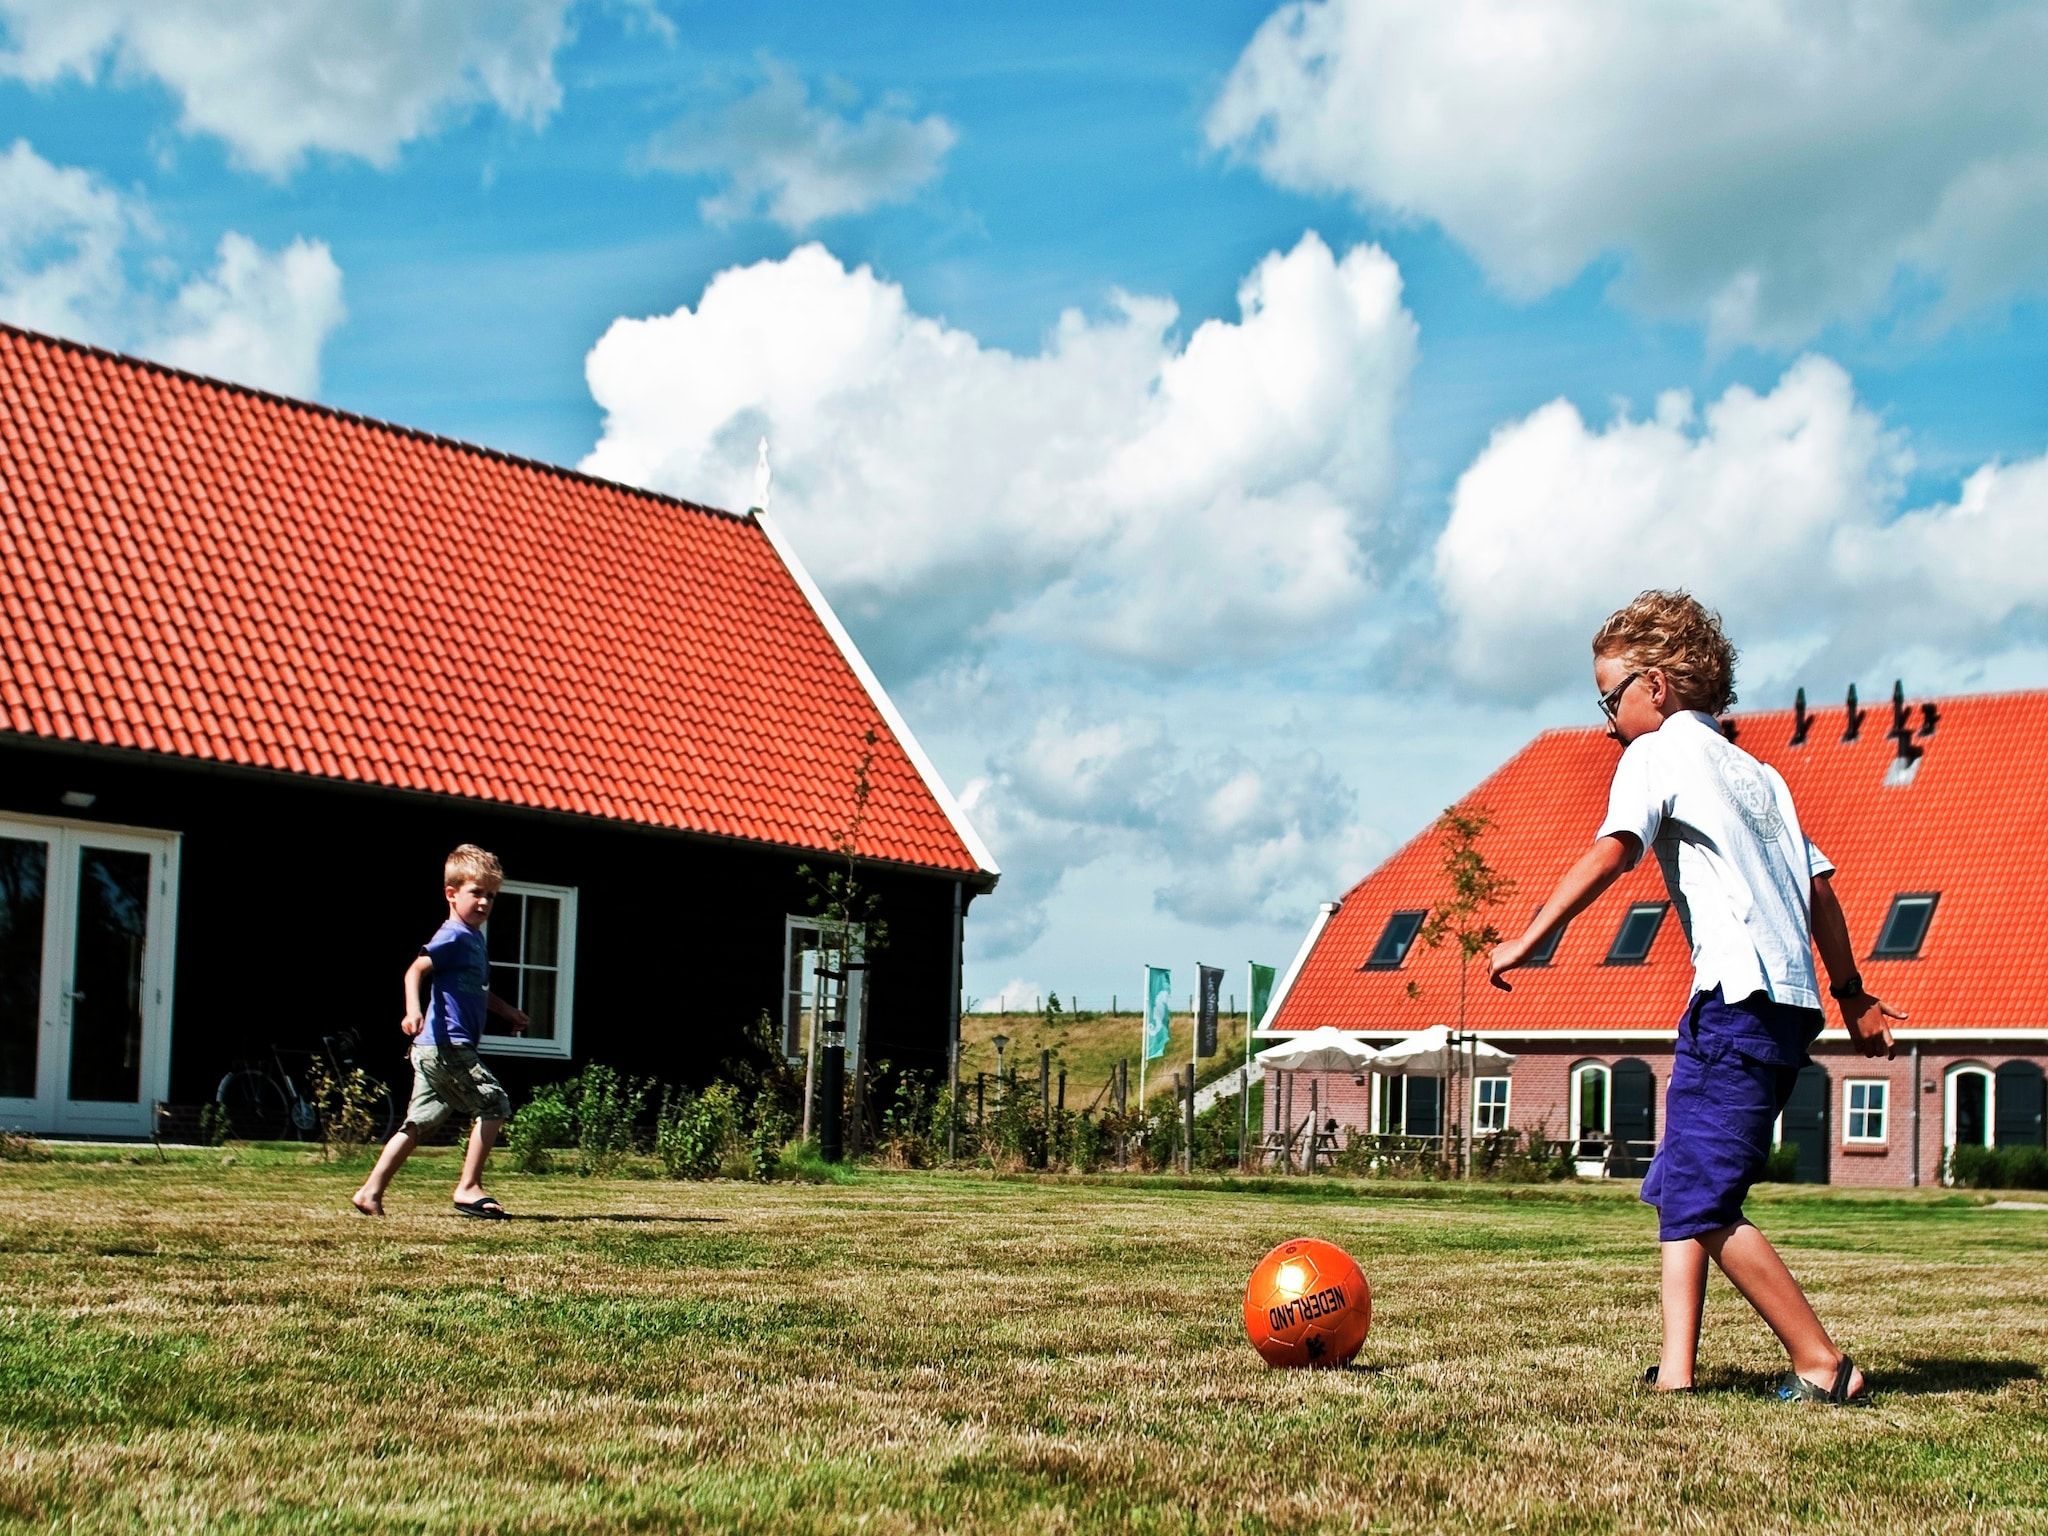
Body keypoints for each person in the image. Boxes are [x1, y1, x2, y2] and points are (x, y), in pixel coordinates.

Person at [1488, 591, 1905, 1403]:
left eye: (1610, 699)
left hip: (1737, 1002)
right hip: (1781, 1009)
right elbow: (1820, 890)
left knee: (1699, 1195)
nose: (1607, 721)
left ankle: (1824, 1363)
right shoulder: (1761, 775)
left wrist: (1531, 937)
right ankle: (1676, 1372)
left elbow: (1614, 852)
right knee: (1685, 1175)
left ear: (1656, 686)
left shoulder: (1655, 754)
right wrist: (1854, 994)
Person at [352, 844, 529, 1219]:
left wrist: (507, 1010)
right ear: (452, 893)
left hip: (432, 1047)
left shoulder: (473, 938)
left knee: (418, 1122)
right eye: (476, 893)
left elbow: (476, 990)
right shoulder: (454, 936)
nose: (484, 902)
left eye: (491, 895)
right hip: (448, 1044)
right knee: (494, 1103)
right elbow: (415, 970)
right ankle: (468, 1188)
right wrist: (413, 1011)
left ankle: (370, 1191)